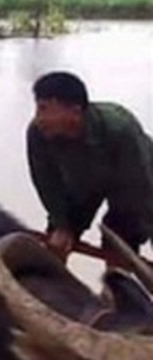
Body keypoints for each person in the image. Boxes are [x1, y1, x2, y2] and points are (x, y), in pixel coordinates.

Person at [27, 71, 153, 259]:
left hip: (138, 182)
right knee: (56, 242)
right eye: (37, 109)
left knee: (120, 240)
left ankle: (117, 284)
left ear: (75, 112)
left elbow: (140, 190)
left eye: (44, 109)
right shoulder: (38, 134)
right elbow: (47, 184)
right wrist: (62, 225)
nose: (38, 118)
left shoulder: (119, 129)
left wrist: (137, 233)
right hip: (83, 183)